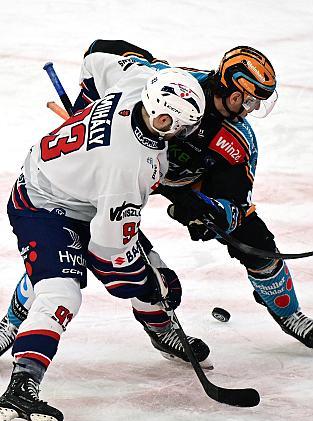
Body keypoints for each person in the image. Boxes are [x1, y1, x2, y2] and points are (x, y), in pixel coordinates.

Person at [1, 39, 312, 369]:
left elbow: (235, 205)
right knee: (67, 241)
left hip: (175, 183)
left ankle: (291, 315)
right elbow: (101, 52)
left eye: (257, 102)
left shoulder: (236, 139)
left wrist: (208, 211)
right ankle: (12, 321)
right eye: (248, 99)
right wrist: (88, 108)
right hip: (121, 172)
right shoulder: (165, 82)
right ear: (230, 88)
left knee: (255, 241)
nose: (250, 108)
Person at [0, 62, 207, 421]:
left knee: (146, 264)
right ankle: (21, 387)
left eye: (184, 126)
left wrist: (87, 105)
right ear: (157, 110)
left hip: (81, 189)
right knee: (62, 290)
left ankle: (159, 330)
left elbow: (100, 59)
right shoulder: (127, 169)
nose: (177, 132)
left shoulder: (141, 82)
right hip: (43, 205)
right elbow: (110, 261)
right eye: (168, 124)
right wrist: (149, 285)